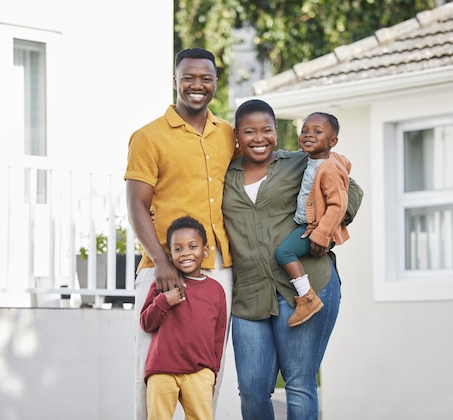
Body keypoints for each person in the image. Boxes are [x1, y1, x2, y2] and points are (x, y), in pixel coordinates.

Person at [124, 47, 239, 420]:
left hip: (218, 266)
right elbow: (137, 203)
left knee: (207, 375)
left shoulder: (227, 135)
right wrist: (160, 261)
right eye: (188, 77)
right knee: (152, 372)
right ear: (174, 81)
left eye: (206, 78)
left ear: (216, 84)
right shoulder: (148, 137)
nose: (197, 85)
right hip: (164, 267)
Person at [222, 99, 341, 420]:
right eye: (249, 131)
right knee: (251, 389)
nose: (259, 138)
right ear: (237, 135)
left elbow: (348, 192)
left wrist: (326, 230)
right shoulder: (222, 177)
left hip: (305, 288)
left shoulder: (300, 162)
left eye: (267, 130)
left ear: (277, 132)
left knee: (300, 383)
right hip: (249, 295)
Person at [140, 216, 227, 420]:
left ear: (205, 250)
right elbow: (146, 323)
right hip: (162, 370)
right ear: (169, 255)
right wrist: (163, 301)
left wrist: (212, 374)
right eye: (178, 249)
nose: (185, 253)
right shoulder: (163, 284)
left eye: (192, 246)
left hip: (199, 372)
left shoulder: (216, 291)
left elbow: (218, 337)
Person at [274, 112, 351, 327]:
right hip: (311, 224)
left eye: (317, 132)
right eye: (305, 130)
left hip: (320, 229)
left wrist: (321, 234)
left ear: (332, 141)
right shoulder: (316, 160)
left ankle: (307, 297)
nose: (308, 135)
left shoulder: (329, 168)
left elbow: (338, 205)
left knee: (284, 252)